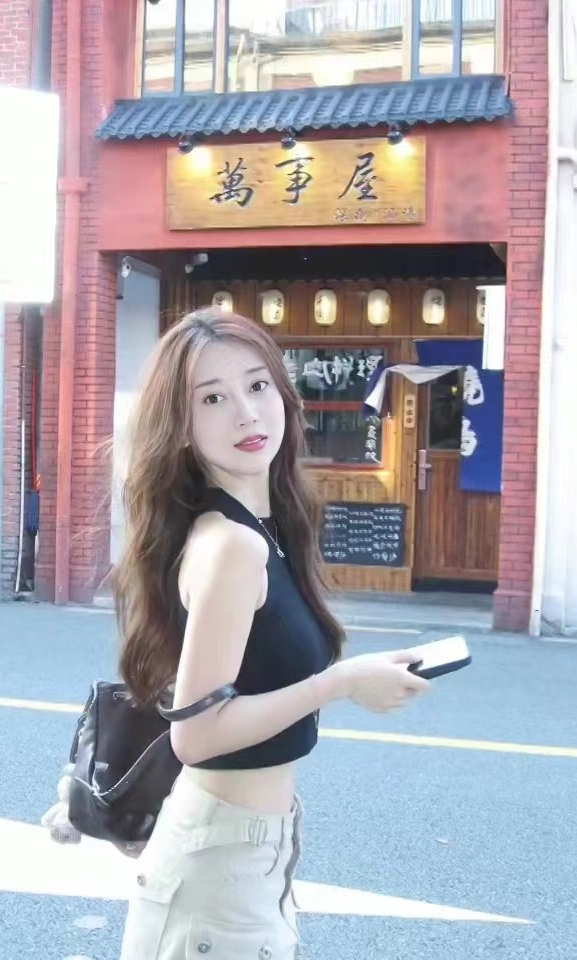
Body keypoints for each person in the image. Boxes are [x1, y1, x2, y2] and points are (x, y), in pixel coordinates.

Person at [115, 308, 430, 960]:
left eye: (258, 385)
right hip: (218, 869)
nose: (247, 413)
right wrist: (341, 682)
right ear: (180, 428)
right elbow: (197, 734)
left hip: (245, 849)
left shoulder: (258, 528)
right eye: (212, 398)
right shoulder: (233, 545)